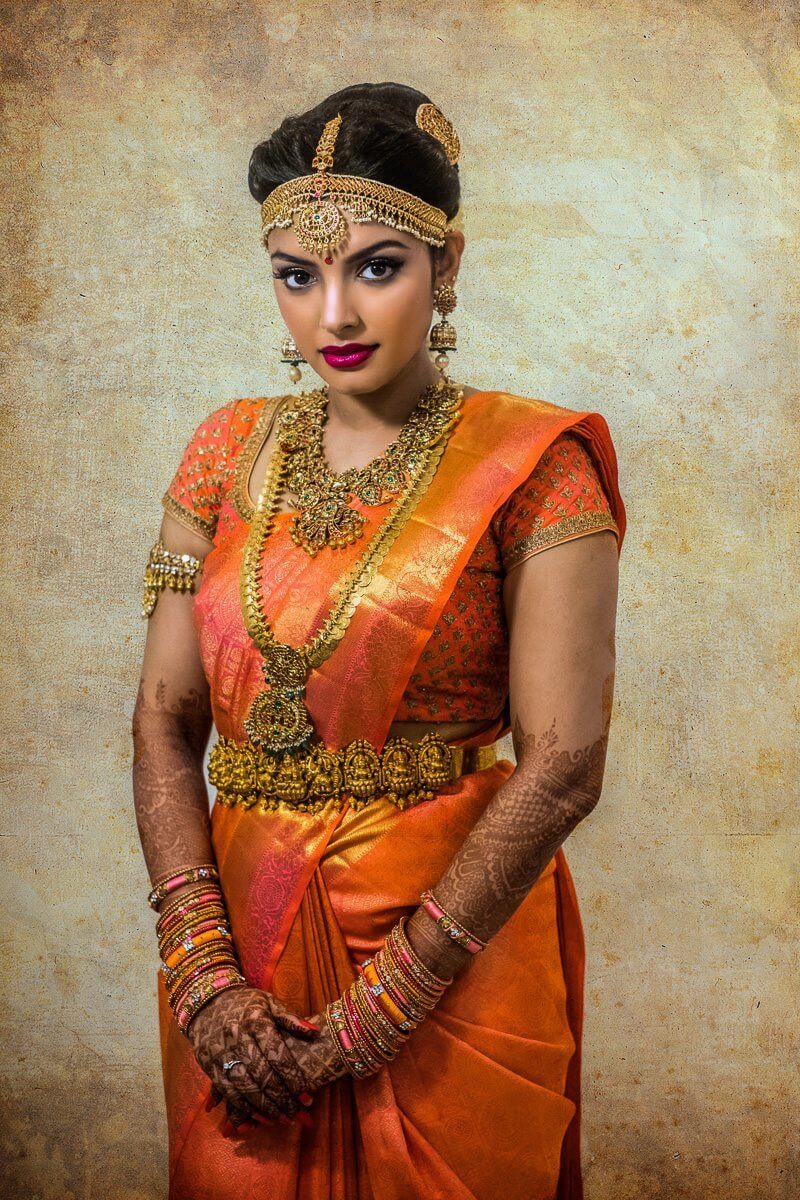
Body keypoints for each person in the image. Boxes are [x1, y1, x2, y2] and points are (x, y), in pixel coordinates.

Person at [132, 81, 626, 1200]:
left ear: (444, 267)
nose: (334, 319)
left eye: (375, 267)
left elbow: (560, 770)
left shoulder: (538, 464)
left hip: (451, 957)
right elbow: (164, 722)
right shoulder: (223, 451)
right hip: (242, 944)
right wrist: (205, 980)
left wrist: (377, 1014)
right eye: (296, 278)